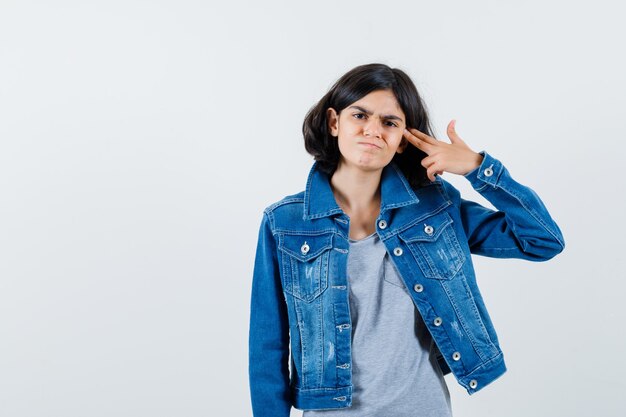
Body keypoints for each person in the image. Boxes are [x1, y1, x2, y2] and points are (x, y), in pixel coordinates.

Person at [248, 63, 565, 417]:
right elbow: (267, 346)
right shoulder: (285, 223)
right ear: (334, 122)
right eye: (360, 115)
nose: (373, 131)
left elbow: (542, 240)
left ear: (402, 141)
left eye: (390, 122)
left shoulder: (436, 206)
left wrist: (479, 168)